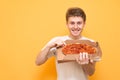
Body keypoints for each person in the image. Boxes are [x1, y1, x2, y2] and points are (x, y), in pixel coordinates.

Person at [35, 7, 102, 80]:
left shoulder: (90, 44)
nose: (75, 27)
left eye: (79, 23)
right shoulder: (57, 41)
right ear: (67, 24)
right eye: (72, 23)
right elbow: (38, 62)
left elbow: (91, 72)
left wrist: (84, 64)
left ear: (84, 24)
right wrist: (49, 46)